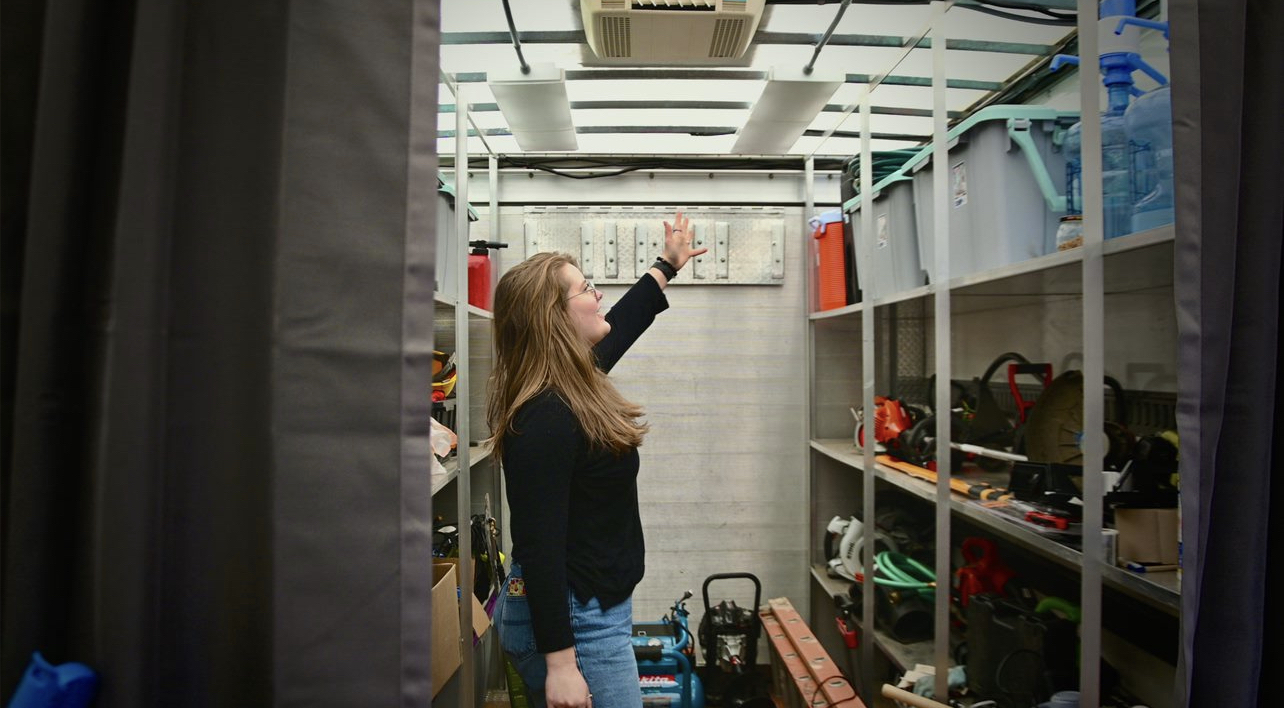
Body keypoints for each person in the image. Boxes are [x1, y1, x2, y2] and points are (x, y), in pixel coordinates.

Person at [487, 211, 706, 708]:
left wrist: (666, 266)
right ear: (556, 319)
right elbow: (539, 545)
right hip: (575, 623)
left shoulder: (569, 383)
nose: (597, 293)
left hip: (589, 611)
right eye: (586, 288)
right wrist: (561, 665)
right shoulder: (545, 416)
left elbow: (621, 325)